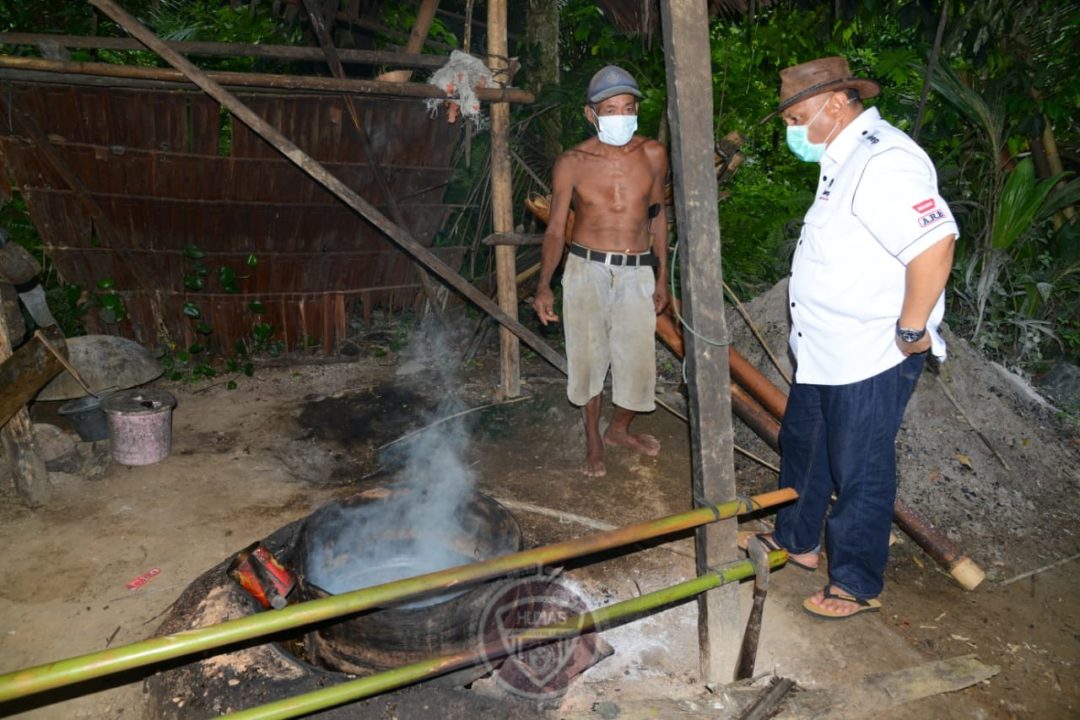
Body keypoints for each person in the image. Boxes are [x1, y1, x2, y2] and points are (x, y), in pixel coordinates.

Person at [754, 57, 958, 619]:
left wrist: (912, 327)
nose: (793, 130)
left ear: (836, 104)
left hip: (871, 351)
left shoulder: (883, 159)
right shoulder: (842, 159)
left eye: (798, 118)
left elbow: (935, 244)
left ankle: (856, 580)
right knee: (805, 445)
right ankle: (797, 541)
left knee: (860, 466)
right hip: (826, 349)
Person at [532, 65, 670, 478]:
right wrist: (544, 286)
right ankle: (593, 435)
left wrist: (661, 278)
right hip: (585, 269)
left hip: (636, 270)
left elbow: (659, 218)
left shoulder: (653, 155)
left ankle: (619, 428)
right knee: (588, 357)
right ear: (591, 114)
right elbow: (556, 228)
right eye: (611, 109)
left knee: (638, 360)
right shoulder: (572, 162)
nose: (621, 116)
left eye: (628, 107)